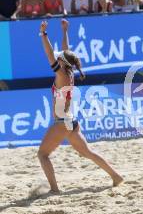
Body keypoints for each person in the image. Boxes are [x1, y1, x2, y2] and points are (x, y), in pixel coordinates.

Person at [37, 19, 123, 193]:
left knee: (42, 155)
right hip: (72, 121)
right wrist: (64, 31)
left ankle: (54, 189)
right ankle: (115, 175)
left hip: (62, 122)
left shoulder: (61, 73)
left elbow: (49, 54)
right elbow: (65, 50)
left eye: (59, 56)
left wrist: (43, 34)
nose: (58, 55)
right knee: (88, 153)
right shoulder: (69, 72)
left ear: (62, 61)